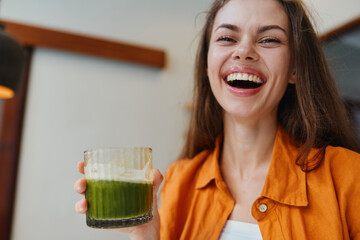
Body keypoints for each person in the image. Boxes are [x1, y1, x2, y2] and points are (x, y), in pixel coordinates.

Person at [74, 0, 360, 239]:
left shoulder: (349, 177)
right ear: (207, 66)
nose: (243, 51)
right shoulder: (178, 181)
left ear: (295, 69)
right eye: (227, 38)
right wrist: (146, 235)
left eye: (269, 39)